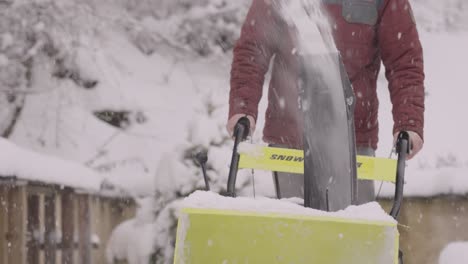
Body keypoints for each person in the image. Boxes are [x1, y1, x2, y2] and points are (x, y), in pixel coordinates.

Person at [226, 0, 425, 203]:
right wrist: (243, 108)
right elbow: (252, 50)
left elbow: (404, 62)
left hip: (353, 140)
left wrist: (409, 123)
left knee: (355, 229)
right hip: (290, 138)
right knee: (295, 229)